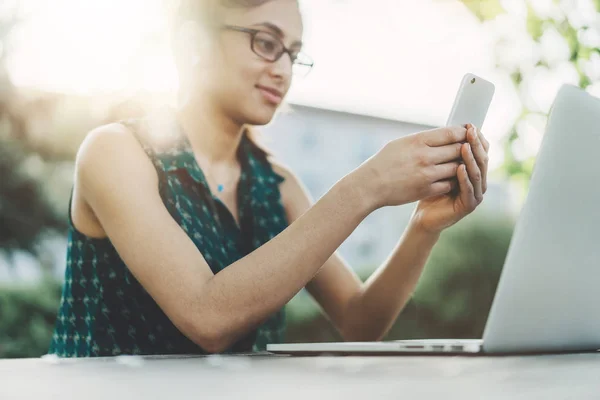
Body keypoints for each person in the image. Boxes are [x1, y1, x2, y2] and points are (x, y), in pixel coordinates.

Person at [48, 0, 490, 357]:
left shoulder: (275, 183)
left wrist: (423, 226)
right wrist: (367, 185)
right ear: (193, 43)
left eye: (293, 54)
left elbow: (360, 321)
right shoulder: (115, 151)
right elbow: (207, 318)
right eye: (265, 42)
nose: (283, 70)